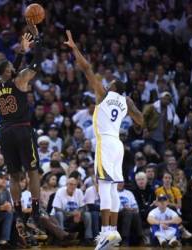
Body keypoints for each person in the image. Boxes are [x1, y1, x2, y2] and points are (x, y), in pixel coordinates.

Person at [64, 30, 144, 249]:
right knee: (112, 189)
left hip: (106, 144)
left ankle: (106, 233)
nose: (107, 84)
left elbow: (87, 69)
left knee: (104, 188)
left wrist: (74, 48)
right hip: (118, 144)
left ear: (113, 87)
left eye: (111, 83)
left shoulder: (104, 94)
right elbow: (141, 121)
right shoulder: (125, 101)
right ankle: (113, 233)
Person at [0, 25, 43, 237]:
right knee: (32, 171)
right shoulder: (20, 80)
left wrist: (20, 51)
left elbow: (10, 70)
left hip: (5, 132)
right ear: (10, 72)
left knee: (14, 175)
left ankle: (19, 212)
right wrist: (37, 41)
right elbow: (36, 64)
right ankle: (36, 212)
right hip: (22, 130)